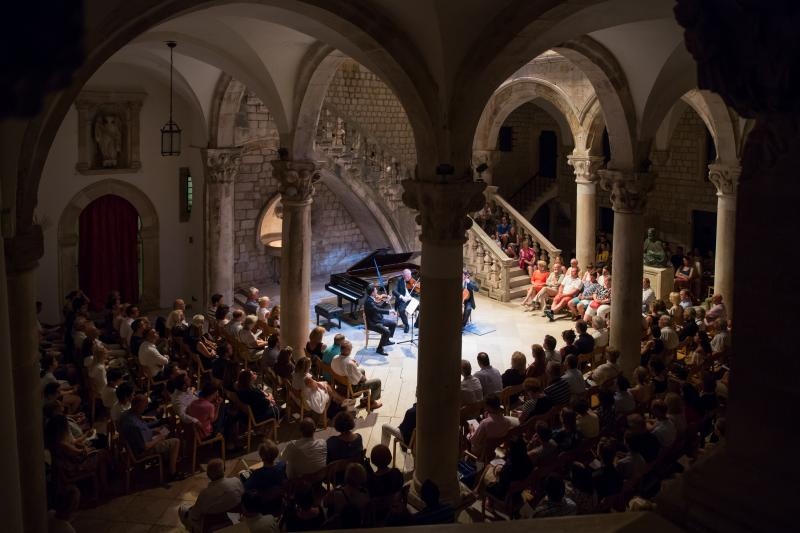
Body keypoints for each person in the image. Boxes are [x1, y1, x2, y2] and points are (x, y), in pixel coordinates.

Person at [118, 394, 181, 478]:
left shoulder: (127, 414)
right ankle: (172, 473)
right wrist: (159, 438)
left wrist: (155, 429)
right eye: (145, 406)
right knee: (176, 441)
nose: (145, 408)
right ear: (137, 406)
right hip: (143, 451)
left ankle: (167, 460)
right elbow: (145, 447)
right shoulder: (133, 426)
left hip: (144, 441)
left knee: (165, 429)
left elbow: (143, 429)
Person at [179, 458, 245, 531]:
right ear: (224, 471)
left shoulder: (204, 494)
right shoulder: (236, 481)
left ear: (208, 475)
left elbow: (195, 517)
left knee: (183, 509)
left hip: (213, 525)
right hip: (236, 519)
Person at [331, 340, 382, 409]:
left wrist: (353, 363)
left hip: (340, 384)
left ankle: (365, 399)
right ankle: (371, 402)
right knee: (377, 382)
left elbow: (344, 362)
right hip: (352, 388)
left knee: (362, 371)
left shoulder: (335, 358)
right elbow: (361, 379)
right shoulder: (350, 364)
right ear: (349, 350)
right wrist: (364, 378)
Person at [364, 284, 396, 355]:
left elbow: (379, 307)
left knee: (393, 324)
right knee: (386, 332)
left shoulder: (371, 298)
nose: (377, 291)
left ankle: (386, 340)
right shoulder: (369, 302)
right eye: (375, 290)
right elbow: (377, 310)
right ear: (372, 292)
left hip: (377, 319)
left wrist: (386, 301)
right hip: (373, 323)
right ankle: (379, 349)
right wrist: (389, 311)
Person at [392, 268, 419, 333]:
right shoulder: (398, 281)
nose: (409, 278)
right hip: (403, 300)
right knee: (401, 310)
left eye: (410, 276)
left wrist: (416, 288)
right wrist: (402, 297)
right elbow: (394, 291)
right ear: (403, 275)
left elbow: (417, 292)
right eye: (407, 276)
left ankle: (417, 323)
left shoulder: (412, 281)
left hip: (411, 300)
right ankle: (406, 325)